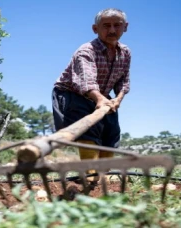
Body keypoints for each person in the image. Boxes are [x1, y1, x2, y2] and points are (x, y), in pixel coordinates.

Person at [52, 8, 131, 184]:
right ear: (95, 29)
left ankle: (104, 173)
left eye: (117, 25)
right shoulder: (86, 51)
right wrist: (99, 99)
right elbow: (86, 81)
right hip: (72, 92)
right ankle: (90, 173)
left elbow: (123, 82)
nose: (112, 30)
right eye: (106, 26)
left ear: (125, 27)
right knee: (89, 131)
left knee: (111, 131)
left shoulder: (125, 52)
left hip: (102, 94)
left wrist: (117, 99)